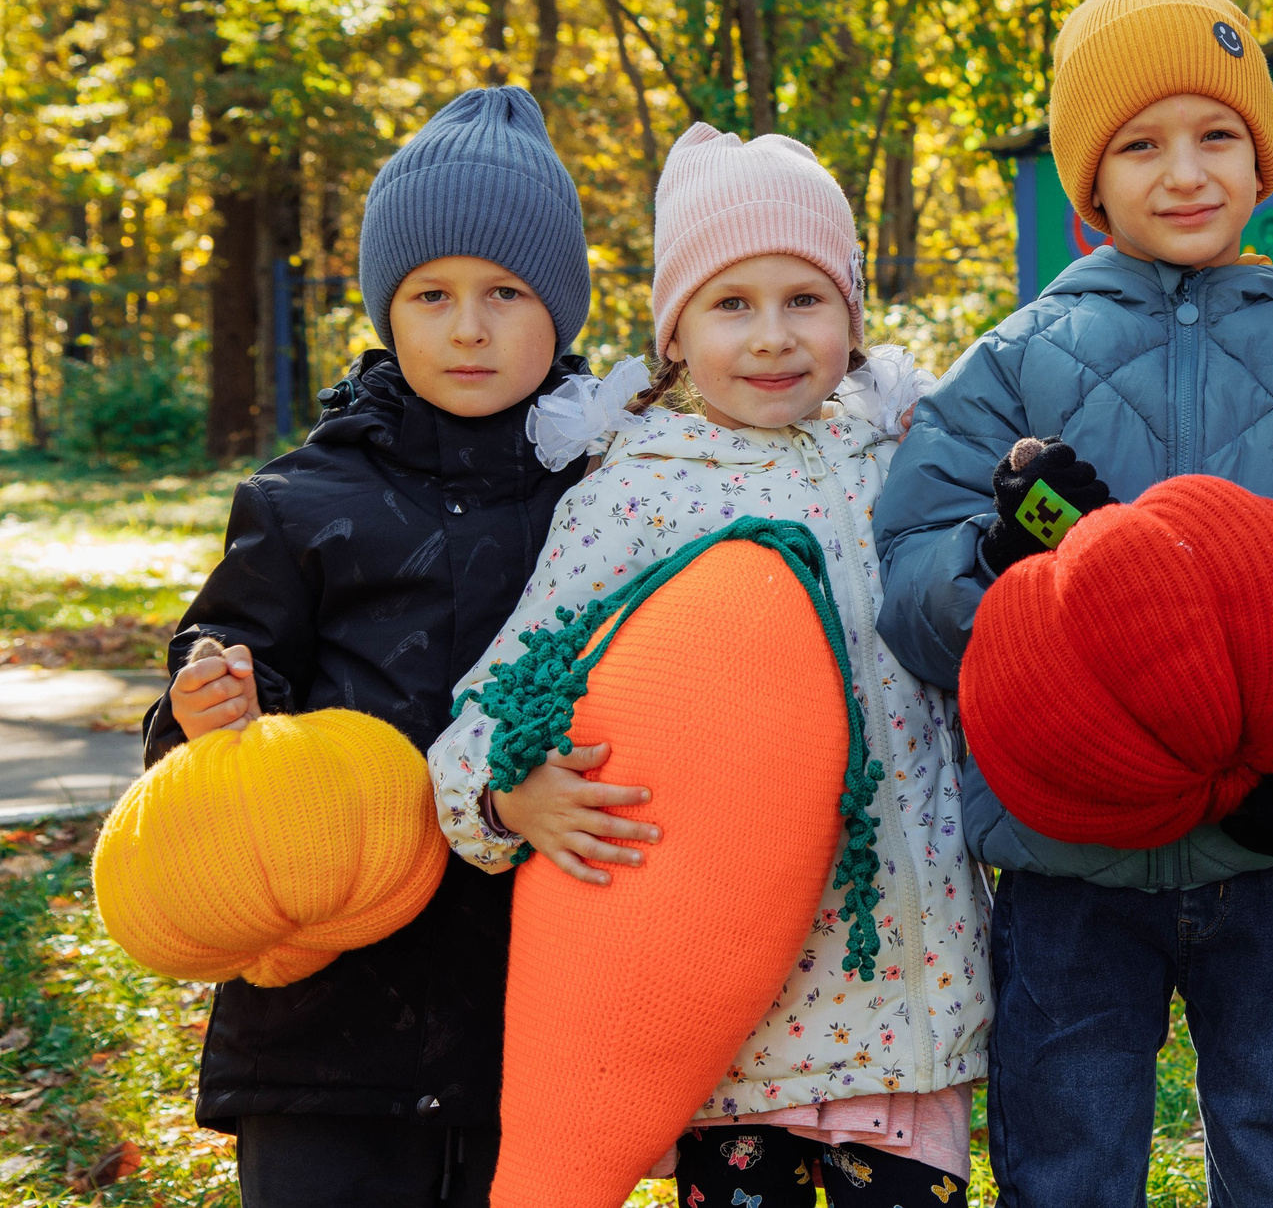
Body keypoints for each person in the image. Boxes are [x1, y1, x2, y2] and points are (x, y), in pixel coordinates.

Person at [874, 0, 1273, 1207]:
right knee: (1067, 1157)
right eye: (1140, 145)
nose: (1183, 171)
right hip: (1067, 861)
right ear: (1090, 185)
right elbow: (914, 588)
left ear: (1262, 168)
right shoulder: (1010, 372)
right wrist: (998, 564)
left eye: (1216, 137)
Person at [427, 123, 980, 1207]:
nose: (773, 336)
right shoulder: (632, 494)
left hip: (911, 992)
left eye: (805, 299)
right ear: (674, 333)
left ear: (853, 317)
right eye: (732, 303)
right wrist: (503, 795)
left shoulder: (904, 470)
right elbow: (495, 699)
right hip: (733, 1024)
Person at [139, 86, 593, 1207]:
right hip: (324, 1019)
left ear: (566, 311)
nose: (469, 327)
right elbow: (222, 673)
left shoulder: (612, 494)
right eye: (431, 294)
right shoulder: (304, 499)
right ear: (387, 309)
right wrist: (207, 711)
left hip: (529, 997)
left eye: (506, 292)